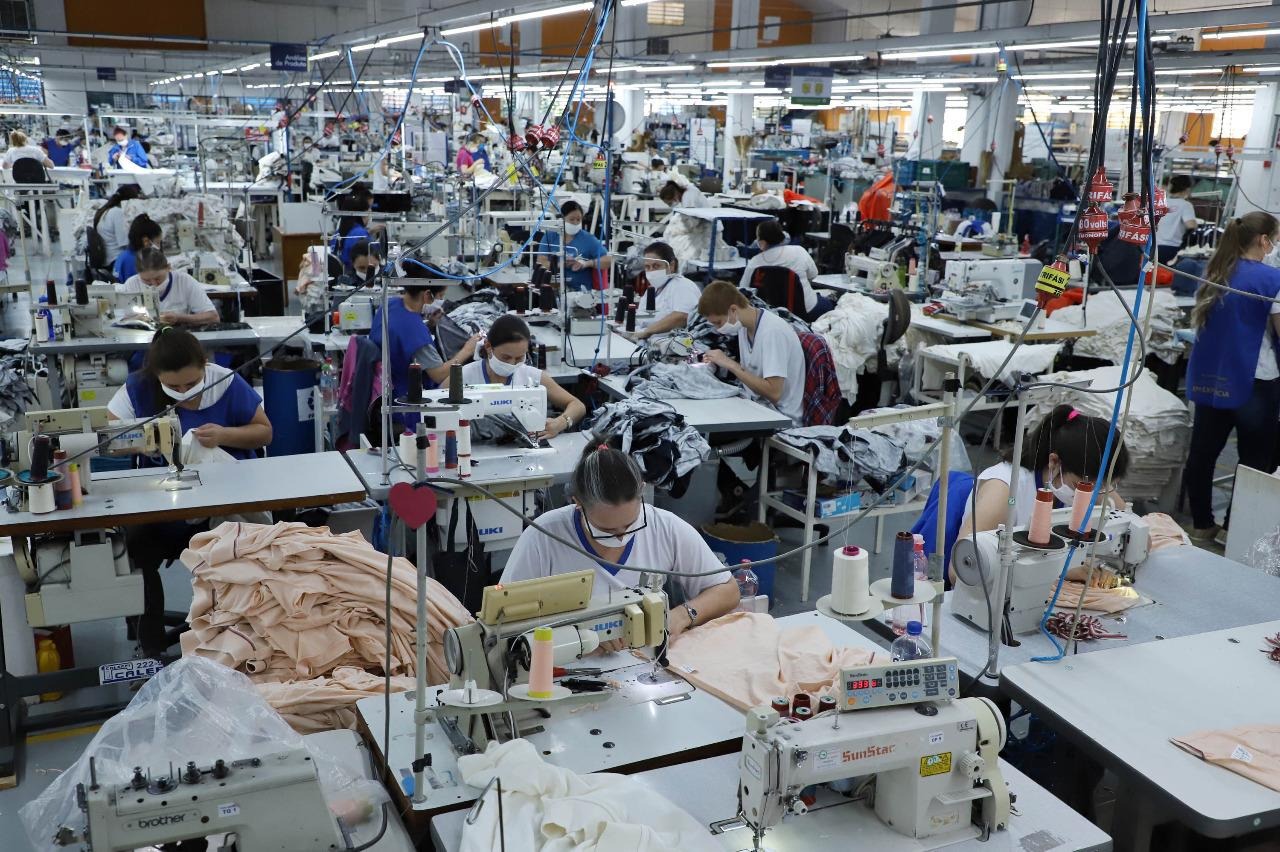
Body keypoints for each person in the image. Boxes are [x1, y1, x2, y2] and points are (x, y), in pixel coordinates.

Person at [107, 328, 272, 656]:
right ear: (157, 375)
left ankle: (236, 638)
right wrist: (145, 440)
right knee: (135, 545)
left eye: (191, 383)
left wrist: (224, 435)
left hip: (224, 502)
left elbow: (264, 432)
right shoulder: (138, 389)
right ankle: (150, 646)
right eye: (174, 386)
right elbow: (110, 439)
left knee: (235, 547)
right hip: (164, 508)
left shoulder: (225, 382)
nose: (183, 391)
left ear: (205, 365)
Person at [502, 442, 740, 643]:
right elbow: (504, 621)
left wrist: (682, 615)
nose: (620, 537)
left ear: (642, 492)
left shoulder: (665, 527)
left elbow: (727, 590)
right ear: (578, 504)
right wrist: (577, 638)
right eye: (606, 530)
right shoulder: (544, 537)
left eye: (630, 525)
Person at [1183, 211, 1280, 542]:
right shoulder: (1272, 279)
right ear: (1263, 241)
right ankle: (1233, 530)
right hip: (1255, 381)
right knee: (1254, 462)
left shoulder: (1214, 271)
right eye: (1274, 240)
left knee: (1202, 453)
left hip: (1210, 377)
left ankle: (1201, 525)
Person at [953, 405, 1130, 579]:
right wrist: (1059, 570)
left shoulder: (1088, 481)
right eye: (1080, 486)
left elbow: (1127, 522)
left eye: (1103, 487)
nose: (1092, 495)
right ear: (1054, 462)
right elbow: (957, 572)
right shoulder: (1004, 490)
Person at [369, 278, 483, 433]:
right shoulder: (415, 332)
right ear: (428, 295)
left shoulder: (390, 304)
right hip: (407, 403)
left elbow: (402, 334)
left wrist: (429, 325)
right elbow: (439, 375)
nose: (442, 301)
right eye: (441, 296)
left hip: (386, 389)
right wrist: (467, 350)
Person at [461, 315, 586, 441]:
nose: (512, 363)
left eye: (519, 357)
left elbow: (578, 406)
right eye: (506, 357)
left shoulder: (532, 376)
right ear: (488, 347)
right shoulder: (464, 375)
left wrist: (560, 423)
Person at [697, 281, 805, 426]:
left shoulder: (772, 333)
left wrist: (731, 365)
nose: (717, 329)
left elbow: (774, 393)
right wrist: (719, 364)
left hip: (780, 418)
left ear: (733, 310)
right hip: (757, 405)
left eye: (718, 322)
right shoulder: (744, 327)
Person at [741, 220, 833, 322]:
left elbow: (743, 289)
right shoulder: (799, 251)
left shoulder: (754, 263)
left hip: (769, 316)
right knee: (829, 303)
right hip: (805, 311)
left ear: (761, 242)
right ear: (782, 236)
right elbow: (813, 275)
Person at [120, 246, 219, 326]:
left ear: (168, 268)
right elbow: (119, 321)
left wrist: (180, 318)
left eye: (158, 278)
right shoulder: (131, 284)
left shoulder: (184, 281)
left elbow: (213, 317)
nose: (154, 284)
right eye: (147, 281)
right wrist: (137, 319)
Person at [629, 241, 701, 340]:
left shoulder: (682, 286)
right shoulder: (653, 290)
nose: (651, 271)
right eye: (647, 267)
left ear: (671, 265)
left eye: (656, 266)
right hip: (648, 343)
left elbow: (682, 316)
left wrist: (648, 331)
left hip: (671, 345)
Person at [537, 201, 611, 291]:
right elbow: (541, 262)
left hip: (580, 292)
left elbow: (608, 260)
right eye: (572, 219)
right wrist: (558, 265)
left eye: (578, 219)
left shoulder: (588, 239)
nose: (575, 223)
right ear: (562, 219)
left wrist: (586, 263)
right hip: (553, 289)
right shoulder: (550, 236)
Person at [92, 184, 141, 265]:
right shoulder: (117, 213)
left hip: (109, 258)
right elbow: (124, 243)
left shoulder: (106, 210)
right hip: (116, 259)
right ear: (128, 201)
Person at [1155, 175, 1199, 266]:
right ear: (1187, 189)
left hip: (1153, 247)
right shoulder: (1185, 205)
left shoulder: (1161, 202)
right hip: (1171, 248)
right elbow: (1191, 225)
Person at [113, 214, 162, 282]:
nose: (159, 247)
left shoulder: (124, 255)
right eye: (158, 242)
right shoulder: (136, 263)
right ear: (146, 241)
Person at [331, 192, 373, 266]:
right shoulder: (361, 234)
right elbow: (372, 259)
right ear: (363, 213)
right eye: (369, 211)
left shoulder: (337, 234)